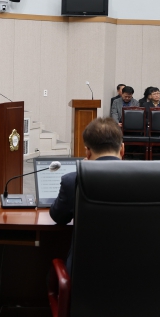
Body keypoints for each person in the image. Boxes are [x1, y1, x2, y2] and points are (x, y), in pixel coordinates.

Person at [50, 117, 124, 276]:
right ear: (122, 149)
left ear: (88, 152)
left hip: (85, 277)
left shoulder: (73, 180)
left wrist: (85, 171)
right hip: (137, 276)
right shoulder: (146, 181)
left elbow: (58, 217)